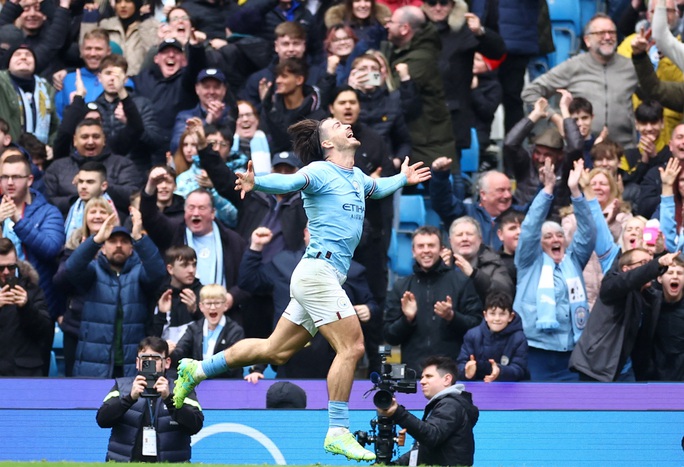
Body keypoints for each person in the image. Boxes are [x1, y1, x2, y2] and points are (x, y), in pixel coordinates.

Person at [172, 116, 431, 462]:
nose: (347, 125)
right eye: (338, 124)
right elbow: (289, 181)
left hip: (321, 276)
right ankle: (338, 430)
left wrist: (403, 178)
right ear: (326, 144)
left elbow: (377, 189)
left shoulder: (357, 177)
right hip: (317, 273)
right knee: (352, 347)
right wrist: (256, 181)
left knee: (274, 351)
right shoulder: (320, 171)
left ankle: (198, 369)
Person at [514, 159, 596, 381]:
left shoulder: (574, 260)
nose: (555, 239)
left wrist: (575, 191)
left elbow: (588, 232)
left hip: (572, 351)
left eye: (559, 235)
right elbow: (530, 228)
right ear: (540, 243)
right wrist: (547, 190)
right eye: (548, 236)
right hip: (535, 351)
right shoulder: (529, 261)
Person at [66, 211, 166, 377]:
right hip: (94, 364)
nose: (119, 245)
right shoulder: (92, 271)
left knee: (139, 402)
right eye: (112, 241)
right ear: (103, 248)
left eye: (124, 241)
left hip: (133, 364)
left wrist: (139, 238)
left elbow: (158, 272)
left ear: (131, 247)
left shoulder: (139, 272)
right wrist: (96, 240)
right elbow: (71, 268)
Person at [521, 14, 637, 149]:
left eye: (611, 32)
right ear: (587, 40)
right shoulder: (574, 66)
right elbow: (530, 92)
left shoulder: (630, 67)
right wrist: (557, 119)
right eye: (601, 33)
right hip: (584, 150)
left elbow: (653, 93)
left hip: (625, 150)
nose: (607, 37)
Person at [384, 225, 483, 374]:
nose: (426, 250)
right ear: (413, 251)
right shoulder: (401, 286)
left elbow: (477, 326)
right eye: (420, 246)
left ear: (441, 249)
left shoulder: (461, 282)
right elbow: (390, 336)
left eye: (431, 245)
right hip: (414, 372)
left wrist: (452, 316)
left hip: (451, 370)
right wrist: (407, 319)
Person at [569, 249, 677, 382]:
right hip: (597, 367)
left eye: (650, 262)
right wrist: (657, 263)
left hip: (626, 370)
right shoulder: (612, 285)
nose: (649, 268)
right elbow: (627, 281)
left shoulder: (649, 297)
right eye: (644, 263)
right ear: (626, 269)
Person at [96, 336, 204, 462]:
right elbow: (102, 420)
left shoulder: (181, 388)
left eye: (156, 358)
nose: (150, 362)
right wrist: (129, 399)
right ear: (137, 362)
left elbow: (195, 425)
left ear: (167, 362)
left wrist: (169, 400)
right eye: (145, 358)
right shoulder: (122, 386)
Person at [376, 355, 479, 467]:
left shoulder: (451, 405)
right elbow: (422, 450)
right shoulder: (446, 404)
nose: (422, 381)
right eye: (422, 377)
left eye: (428, 376)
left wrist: (398, 413)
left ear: (447, 379)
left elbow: (431, 436)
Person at [0, 153, 65, 322]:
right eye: (5, 177)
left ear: (29, 180)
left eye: (16, 177)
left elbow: (51, 249)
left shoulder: (48, 212)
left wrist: (18, 221)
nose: (10, 182)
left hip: (37, 300)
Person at [54, 196, 115, 376]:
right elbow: (59, 281)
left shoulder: (120, 245)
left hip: (107, 326)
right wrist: (85, 252)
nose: (97, 216)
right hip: (77, 325)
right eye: (92, 211)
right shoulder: (73, 245)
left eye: (102, 211)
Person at [430, 161, 518, 250]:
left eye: (509, 190)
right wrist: (440, 176)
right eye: (501, 190)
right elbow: (442, 201)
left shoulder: (519, 215)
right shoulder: (465, 213)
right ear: (483, 194)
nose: (508, 195)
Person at [0, 237, 52, 376]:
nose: (6, 272)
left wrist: (26, 307)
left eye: (11, 267)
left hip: (24, 374)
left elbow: (45, 331)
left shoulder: (32, 290)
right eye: (0, 268)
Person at [170, 284, 245, 379]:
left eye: (217, 303)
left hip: (226, 385)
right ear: (201, 306)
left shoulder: (235, 331)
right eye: (209, 303)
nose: (213, 307)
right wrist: (169, 351)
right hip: (198, 385)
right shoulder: (193, 328)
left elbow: (234, 365)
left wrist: (202, 370)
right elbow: (180, 353)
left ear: (225, 305)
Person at [457, 291, 529, 382]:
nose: (497, 319)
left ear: (510, 317)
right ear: (485, 315)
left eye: (502, 314)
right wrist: (466, 372)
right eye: (492, 313)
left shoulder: (519, 338)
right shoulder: (472, 335)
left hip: (508, 388)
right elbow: (461, 364)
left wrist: (500, 371)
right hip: (477, 386)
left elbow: (519, 369)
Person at [443, 216, 514, 302]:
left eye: (469, 234)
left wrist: (475, 274)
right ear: (450, 241)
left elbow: (505, 293)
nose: (464, 239)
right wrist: (442, 270)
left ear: (480, 239)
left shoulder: (493, 262)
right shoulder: (443, 263)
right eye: (459, 235)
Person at [0, 44, 58, 144]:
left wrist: (51, 146)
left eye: (28, 55)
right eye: (17, 54)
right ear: (8, 63)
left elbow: (55, 125)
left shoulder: (46, 88)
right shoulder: (2, 82)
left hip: (40, 154)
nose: (23, 57)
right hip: (8, 152)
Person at [151, 245, 202, 349]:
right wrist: (161, 314)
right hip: (165, 359)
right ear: (170, 269)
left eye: (194, 264)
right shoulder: (159, 294)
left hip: (193, 362)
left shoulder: (203, 293)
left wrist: (195, 312)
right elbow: (151, 338)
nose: (191, 270)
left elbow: (209, 335)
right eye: (185, 265)